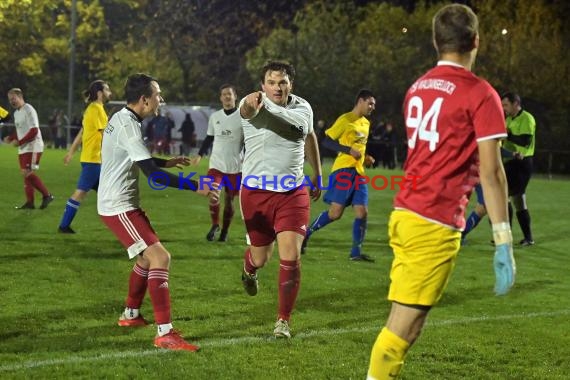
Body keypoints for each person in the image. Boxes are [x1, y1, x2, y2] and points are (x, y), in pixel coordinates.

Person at [366, 5, 516, 379]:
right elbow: (492, 172)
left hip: (406, 213)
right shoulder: (480, 93)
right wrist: (503, 239)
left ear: (436, 41)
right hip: (433, 220)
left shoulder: (417, 87)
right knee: (402, 330)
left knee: (406, 326)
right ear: (476, 41)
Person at [97, 73, 219, 351]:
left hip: (118, 204)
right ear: (144, 99)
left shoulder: (121, 116)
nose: (160, 99)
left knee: (146, 259)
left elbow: (140, 158)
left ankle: (130, 315)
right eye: (158, 94)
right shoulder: (129, 126)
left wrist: (167, 162)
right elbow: (150, 174)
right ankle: (165, 333)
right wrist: (194, 185)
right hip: (119, 206)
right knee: (160, 257)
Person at [239, 61, 322, 339]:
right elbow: (246, 111)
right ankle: (249, 270)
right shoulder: (251, 102)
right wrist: (251, 105)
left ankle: (282, 321)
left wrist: (318, 173)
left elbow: (306, 132)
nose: (277, 87)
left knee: (291, 254)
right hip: (256, 194)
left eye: (282, 82)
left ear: (291, 85)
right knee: (261, 258)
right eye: (271, 82)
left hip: (292, 194)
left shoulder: (302, 108)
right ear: (263, 85)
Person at [301, 89, 377, 262]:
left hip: (358, 172)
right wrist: (348, 150)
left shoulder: (366, 123)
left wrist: (366, 158)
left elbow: (359, 149)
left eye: (374, 105)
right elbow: (327, 141)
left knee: (362, 212)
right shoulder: (345, 120)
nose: (372, 107)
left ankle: (356, 253)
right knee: (335, 213)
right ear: (360, 101)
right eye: (370, 103)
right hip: (343, 171)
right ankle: (306, 233)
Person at [58, 80, 112, 234]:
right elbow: (105, 134)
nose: (110, 92)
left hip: (93, 160)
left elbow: (82, 134)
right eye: (107, 89)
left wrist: (70, 152)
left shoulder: (92, 109)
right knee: (81, 192)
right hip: (93, 161)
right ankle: (63, 225)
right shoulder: (97, 109)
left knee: (112, 194)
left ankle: (125, 226)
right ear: (100, 93)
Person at [191, 84, 244, 242]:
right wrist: (200, 155)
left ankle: (225, 231)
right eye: (224, 94)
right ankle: (215, 225)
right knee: (211, 194)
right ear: (220, 98)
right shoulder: (215, 117)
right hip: (216, 165)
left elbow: (248, 142)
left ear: (235, 96)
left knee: (229, 201)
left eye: (229, 94)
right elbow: (209, 138)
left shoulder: (243, 117)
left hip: (236, 167)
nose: (227, 97)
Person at [5, 88, 54, 210]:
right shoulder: (17, 113)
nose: (12, 101)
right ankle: (30, 203)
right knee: (25, 174)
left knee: (27, 173)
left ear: (20, 97)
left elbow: (34, 130)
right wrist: (11, 138)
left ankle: (47, 195)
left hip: (33, 145)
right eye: (10, 99)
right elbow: (21, 130)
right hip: (23, 147)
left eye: (13, 98)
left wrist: (20, 142)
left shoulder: (29, 109)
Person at [501, 92, 536, 246]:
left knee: (511, 198)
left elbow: (525, 141)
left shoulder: (527, 118)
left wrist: (507, 135)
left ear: (516, 103)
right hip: (510, 163)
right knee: (514, 200)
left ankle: (512, 238)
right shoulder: (508, 120)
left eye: (506, 105)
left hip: (522, 164)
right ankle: (525, 238)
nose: (504, 108)